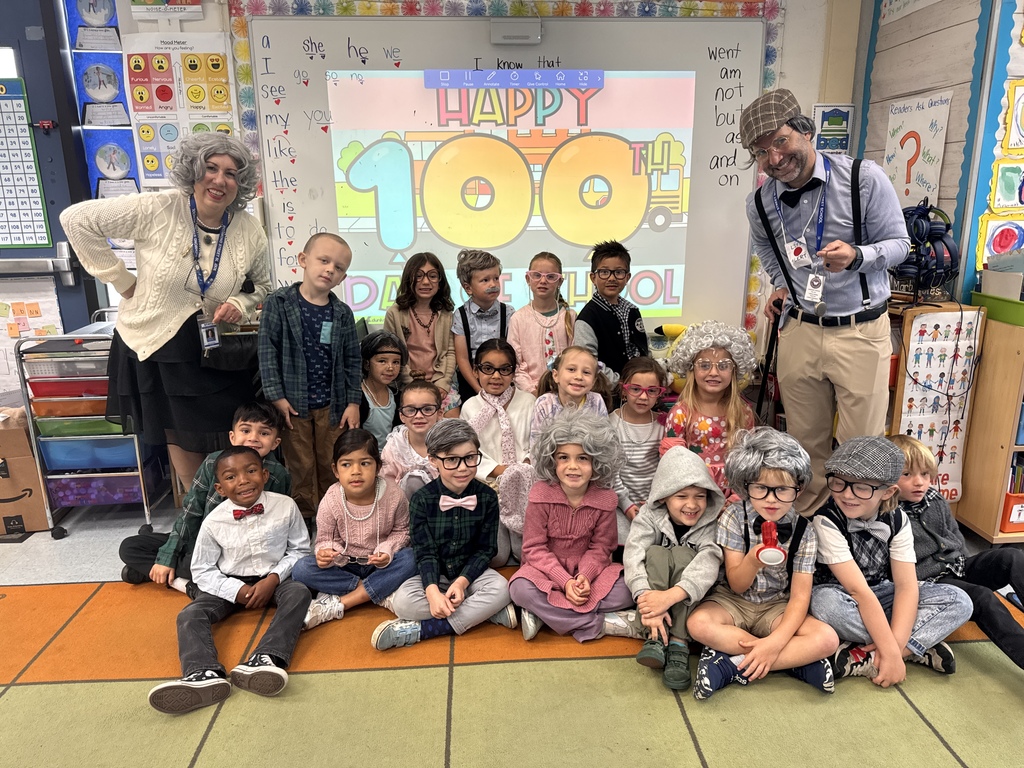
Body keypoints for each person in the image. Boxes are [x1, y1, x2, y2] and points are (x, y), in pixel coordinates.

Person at [61, 132, 271, 487]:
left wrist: (239, 301)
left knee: (229, 434)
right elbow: (76, 220)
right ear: (193, 170)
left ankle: (231, 512)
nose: (220, 180)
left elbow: (264, 285)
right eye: (211, 168)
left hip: (210, 350)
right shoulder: (158, 208)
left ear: (242, 183)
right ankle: (198, 516)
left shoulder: (249, 229)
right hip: (156, 347)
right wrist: (121, 280)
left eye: (232, 173)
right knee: (181, 439)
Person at [740, 89, 910, 514]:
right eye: (762, 153)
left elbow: (901, 245)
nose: (774, 159)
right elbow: (767, 251)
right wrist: (780, 283)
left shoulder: (863, 179)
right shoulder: (760, 202)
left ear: (805, 131)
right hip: (799, 329)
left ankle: (859, 533)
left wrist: (857, 257)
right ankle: (811, 533)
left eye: (780, 142)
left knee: (861, 449)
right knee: (805, 444)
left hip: (860, 330)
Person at [147, 446, 311, 714]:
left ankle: (266, 658)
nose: (243, 480)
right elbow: (202, 569)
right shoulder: (214, 521)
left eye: (250, 471)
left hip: (276, 578)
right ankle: (202, 673)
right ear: (220, 488)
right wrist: (236, 590)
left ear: (265, 474)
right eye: (231, 476)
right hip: (229, 583)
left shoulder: (286, 506)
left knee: (300, 593)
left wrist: (272, 578)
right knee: (189, 615)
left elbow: (300, 550)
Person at [687, 428, 839, 700]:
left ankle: (731, 666)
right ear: (746, 486)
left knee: (827, 639)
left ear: (799, 488)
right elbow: (736, 582)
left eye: (782, 489)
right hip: (732, 600)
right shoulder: (734, 517)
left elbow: (800, 596)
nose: (771, 499)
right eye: (761, 488)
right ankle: (794, 662)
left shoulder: (805, 531)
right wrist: (753, 560)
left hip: (777, 605)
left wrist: (776, 641)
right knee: (698, 623)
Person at [810, 437, 973, 687]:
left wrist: (893, 651)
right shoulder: (827, 520)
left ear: (888, 492)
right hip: (843, 594)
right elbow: (858, 591)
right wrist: (895, 647)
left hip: (882, 591)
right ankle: (917, 645)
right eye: (839, 483)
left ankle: (870, 656)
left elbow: (906, 585)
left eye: (862, 487)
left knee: (960, 600)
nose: (847, 494)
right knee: (824, 604)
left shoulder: (897, 519)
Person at [371, 420, 517, 650]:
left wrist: (461, 582)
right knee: (403, 602)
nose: (463, 468)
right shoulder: (421, 499)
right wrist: (431, 591)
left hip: (471, 575)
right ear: (432, 460)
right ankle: (484, 613)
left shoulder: (487, 497)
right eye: (451, 460)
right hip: (435, 574)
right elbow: (424, 551)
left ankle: (427, 630)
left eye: (470, 457)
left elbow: (486, 550)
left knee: (503, 588)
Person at [118, 402, 291, 595]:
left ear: (275, 443)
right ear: (232, 437)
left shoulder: (277, 475)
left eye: (264, 433)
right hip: (201, 542)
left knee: (227, 571)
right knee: (129, 547)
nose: (253, 438)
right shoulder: (212, 464)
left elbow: (279, 522)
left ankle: (181, 582)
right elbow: (191, 512)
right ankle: (175, 574)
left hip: (239, 556)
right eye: (245, 430)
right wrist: (167, 556)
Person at [890, 435, 1024, 670]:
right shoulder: (887, 513)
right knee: (982, 597)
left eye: (925, 474)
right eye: (907, 474)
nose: (919, 482)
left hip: (956, 567)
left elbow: (955, 536)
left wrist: (961, 559)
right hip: (927, 583)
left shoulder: (934, 499)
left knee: (1010, 556)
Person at [508, 410, 637, 643]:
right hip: (545, 570)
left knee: (630, 588)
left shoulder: (606, 499)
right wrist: (564, 581)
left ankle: (547, 615)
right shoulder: (540, 495)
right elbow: (534, 549)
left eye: (583, 458)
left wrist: (584, 577)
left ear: (597, 461)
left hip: (589, 573)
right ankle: (603, 623)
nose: (573, 467)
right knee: (519, 588)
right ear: (552, 460)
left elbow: (601, 549)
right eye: (564, 457)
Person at [259, 232, 361, 522]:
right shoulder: (278, 303)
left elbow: (353, 361)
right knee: (300, 466)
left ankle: (333, 518)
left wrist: (353, 401)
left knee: (331, 463)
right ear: (303, 260)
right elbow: (267, 352)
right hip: (292, 405)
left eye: (339, 267)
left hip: (333, 405)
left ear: (343, 278)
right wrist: (276, 396)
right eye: (324, 260)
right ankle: (303, 521)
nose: (330, 269)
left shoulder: (341, 313)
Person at [292, 430, 417, 629]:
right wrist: (325, 552)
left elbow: (402, 531)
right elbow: (325, 538)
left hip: (381, 564)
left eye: (365, 463)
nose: (356, 471)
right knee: (301, 569)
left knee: (412, 557)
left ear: (377, 467)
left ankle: (342, 603)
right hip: (346, 565)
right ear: (335, 470)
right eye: (346, 464)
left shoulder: (394, 495)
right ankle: (376, 592)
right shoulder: (332, 499)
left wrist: (387, 549)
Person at [623, 445, 725, 690]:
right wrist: (648, 600)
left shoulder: (711, 521)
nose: (692, 504)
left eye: (700, 496)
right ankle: (655, 634)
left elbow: (709, 561)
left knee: (684, 554)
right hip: (654, 602)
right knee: (655, 552)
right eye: (681, 496)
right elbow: (633, 553)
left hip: (689, 598)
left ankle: (679, 642)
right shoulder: (649, 516)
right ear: (664, 496)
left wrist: (669, 597)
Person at [460, 338, 536, 565]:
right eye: (488, 368)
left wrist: (521, 468)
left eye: (504, 370)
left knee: (525, 555)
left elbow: (538, 442)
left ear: (514, 372)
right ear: (476, 371)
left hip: (526, 482)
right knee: (497, 556)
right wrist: (501, 470)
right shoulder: (470, 407)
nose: (496, 376)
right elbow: (468, 451)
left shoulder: (529, 401)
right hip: (489, 485)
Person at [660, 320, 756, 498]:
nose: (713, 372)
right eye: (704, 365)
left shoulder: (743, 412)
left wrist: (739, 494)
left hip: (735, 493)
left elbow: (749, 459)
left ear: (734, 371)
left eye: (723, 366)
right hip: (693, 492)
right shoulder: (681, 413)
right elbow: (672, 462)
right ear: (692, 369)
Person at [382, 252, 457, 407]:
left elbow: (450, 351)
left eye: (432, 276)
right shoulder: (395, 313)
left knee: (451, 425)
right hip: (407, 385)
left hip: (440, 384)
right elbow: (393, 355)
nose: (425, 282)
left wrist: (443, 383)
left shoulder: (446, 314)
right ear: (409, 279)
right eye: (418, 276)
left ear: (440, 280)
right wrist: (412, 384)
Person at [611, 356, 669, 544]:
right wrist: (626, 505)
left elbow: (667, 470)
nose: (643, 397)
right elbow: (610, 472)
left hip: (655, 504)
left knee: (658, 541)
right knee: (621, 540)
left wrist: (656, 500)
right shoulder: (610, 423)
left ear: (660, 393)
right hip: (620, 504)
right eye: (635, 389)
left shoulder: (663, 424)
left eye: (651, 391)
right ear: (623, 390)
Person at [573, 240, 649, 384]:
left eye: (619, 272)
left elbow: (643, 350)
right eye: (604, 272)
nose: (612, 278)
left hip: (638, 388)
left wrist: (645, 380)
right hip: (607, 393)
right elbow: (589, 361)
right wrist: (618, 384)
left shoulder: (632, 311)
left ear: (627, 277)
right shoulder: (587, 318)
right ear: (593, 278)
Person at [507, 252, 576, 395]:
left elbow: (576, 359)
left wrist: (565, 386)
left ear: (560, 281)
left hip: (566, 393)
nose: (543, 281)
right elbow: (517, 364)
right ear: (528, 278)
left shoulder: (570, 316)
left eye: (550, 276)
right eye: (537, 275)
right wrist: (533, 391)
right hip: (529, 395)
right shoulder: (518, 318)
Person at [452, 248, 515, 397]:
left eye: (496, 278)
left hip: (501, 379)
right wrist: (479, 390)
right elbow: (462, 358)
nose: (493, 284)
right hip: (471, 382)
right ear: (468, 288)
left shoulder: (509, 313)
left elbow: (513, 352)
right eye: (485, 280)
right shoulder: (460, 315)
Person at [529, 346, 609, 446]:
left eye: (586, 372)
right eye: (571, 369)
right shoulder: (544, 403)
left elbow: (605, 440)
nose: (579, 376)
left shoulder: (596, 401)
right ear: (556, 375)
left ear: (593, 381)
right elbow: (536, 445)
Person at [380, 380, 443, 498]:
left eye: (427, 409)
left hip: (445, 505)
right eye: (411, 410)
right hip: (405, 508)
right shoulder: (395, 447)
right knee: (414, 480)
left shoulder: (450, 442)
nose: (419, 416)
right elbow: (386, 484)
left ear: (439, 413)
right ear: (402, 416)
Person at [358, 330, 406, 450]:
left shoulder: (398, 396)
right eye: (382, 361)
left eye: (396, 362)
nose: (390, 367)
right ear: (366, 364)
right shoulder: (356, 397)